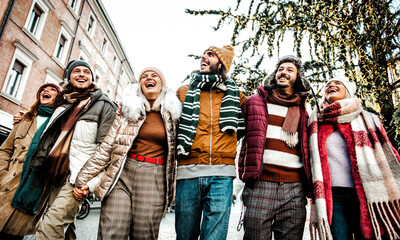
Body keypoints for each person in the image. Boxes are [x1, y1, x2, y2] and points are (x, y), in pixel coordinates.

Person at [11, 60, 117, 240]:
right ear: (69, 76)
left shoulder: (105, 105)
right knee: (66, 230)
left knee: (49, 227)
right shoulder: (63, 102)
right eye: (77, 71)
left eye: (86, 71)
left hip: (78, 178)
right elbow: (43, 118)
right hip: (54, 174)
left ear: (92, 78)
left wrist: (89, 184)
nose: (82, 74)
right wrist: (25, 118)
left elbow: (107, 151)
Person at [73, 67, 181, 239]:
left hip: (153, 176)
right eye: (144, 76)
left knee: (144, 234)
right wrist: (83, 179)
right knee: (110, 231)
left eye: (154, 76)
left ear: (163, 85)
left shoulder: (173, 114)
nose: (148, 78)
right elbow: (107, 146)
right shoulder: (127, 111)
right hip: (121, 173)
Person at [308, 77, 400, 240]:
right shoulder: (315, 122)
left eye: (338, 83)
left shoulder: (368, 119)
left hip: (366, 193)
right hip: (332, 196)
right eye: (327, 84)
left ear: (348, 91)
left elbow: (389, 154)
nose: (331, 85)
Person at [175, 45, 246, 240]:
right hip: (188, 171)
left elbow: (253, 123)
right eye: (203, 54)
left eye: (210, 54)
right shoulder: (183, 92)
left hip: (222, 174)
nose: (203, 57)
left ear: (222, 63)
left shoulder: (236, 95)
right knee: (185, 236)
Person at [238, 55, 312, 239]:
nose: (283, 72)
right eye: (280, 69)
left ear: (298, 77)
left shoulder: (303, 109)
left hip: (295, 187)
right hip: (260, 183)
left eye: (289, 70)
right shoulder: (254, 102)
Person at [0, 83, 61, 240]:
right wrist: (2, 174)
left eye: (53, 90)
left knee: (12, 236)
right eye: (43, 89)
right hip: (6, 186)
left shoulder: (60, 127)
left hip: (32, 191)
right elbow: (5, 149)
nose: (46, 91)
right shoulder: (25, 119)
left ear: (59, 98)